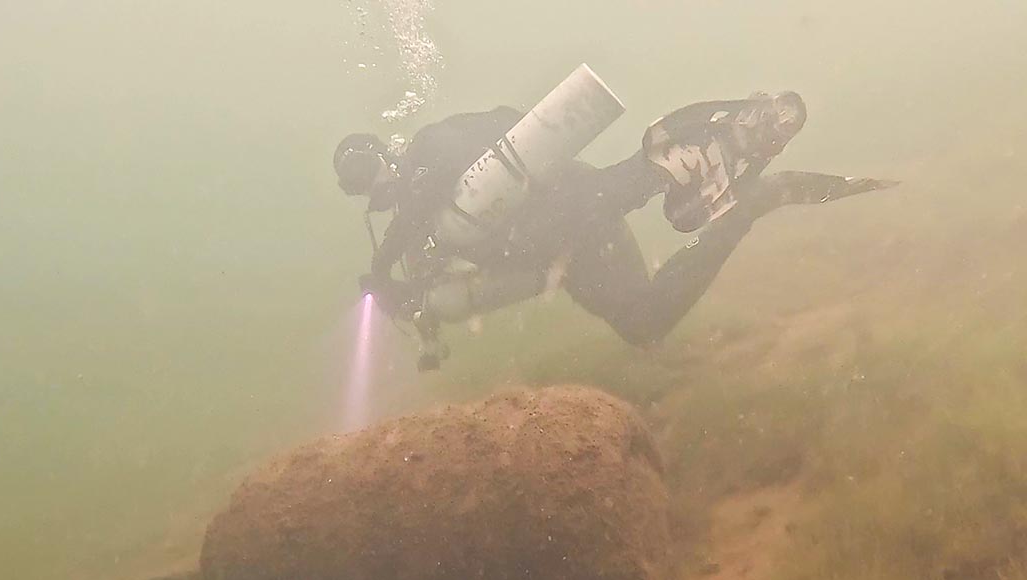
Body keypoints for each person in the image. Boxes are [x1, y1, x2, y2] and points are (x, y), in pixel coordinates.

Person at [334, 92, 894, 364]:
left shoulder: (431, 152)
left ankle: (676, 157)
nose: (373, 188)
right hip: (570, 251)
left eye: (367, 173)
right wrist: (410, 296)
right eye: (360, 184)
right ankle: (750, 202)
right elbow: (509, 118)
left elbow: (496, 135)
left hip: (564, 215)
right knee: (643, 322)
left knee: (608, 194)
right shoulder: (431, 208)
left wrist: (382, 269)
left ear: (384, 157)